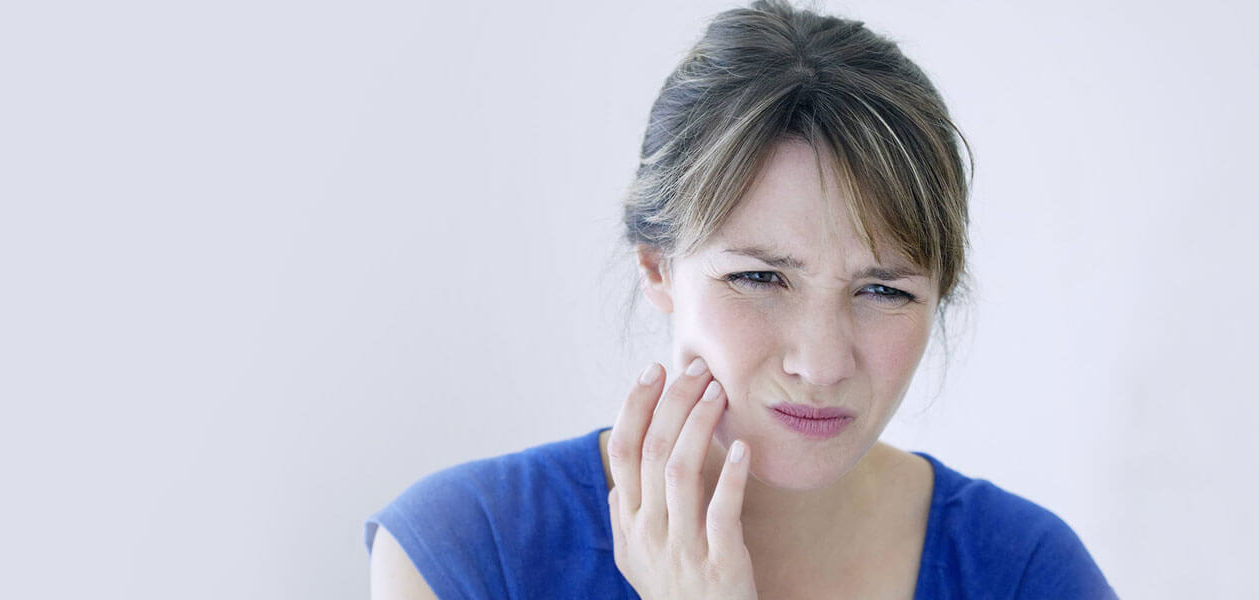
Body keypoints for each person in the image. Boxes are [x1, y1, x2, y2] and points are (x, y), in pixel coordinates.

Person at [364, 1, 1116, 598]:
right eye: (759, 278)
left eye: (882, 290)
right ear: (657, 267)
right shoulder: (468, 552)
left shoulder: (1025, 571)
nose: (820, 364)